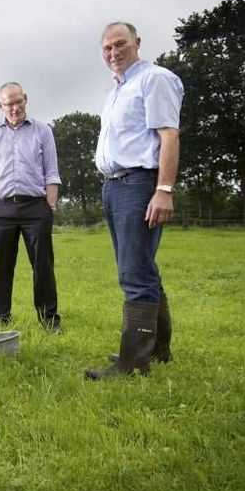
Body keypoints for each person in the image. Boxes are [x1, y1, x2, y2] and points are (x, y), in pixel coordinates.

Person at [85, 22, 182, 380]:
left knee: (134, 274)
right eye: (107, 47)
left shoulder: (154, 79)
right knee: (143, 268)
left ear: (137, 43)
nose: (113, 52)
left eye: (120, 44)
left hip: (139, 183)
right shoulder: (117, 90)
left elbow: (169, 134)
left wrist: (164, 189)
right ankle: (155, 349)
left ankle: (132, 364)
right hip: (114, 185)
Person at [0, 81, 62, 333]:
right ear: (0, 105)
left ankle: (49, 321)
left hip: (35, 208)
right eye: (8, 104)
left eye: (18, 102)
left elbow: (52, 171)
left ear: (25, 99)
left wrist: (49, 204)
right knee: (1, 267)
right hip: (0, 209)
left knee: (43, 266)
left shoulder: (42, 131)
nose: (14, 108)